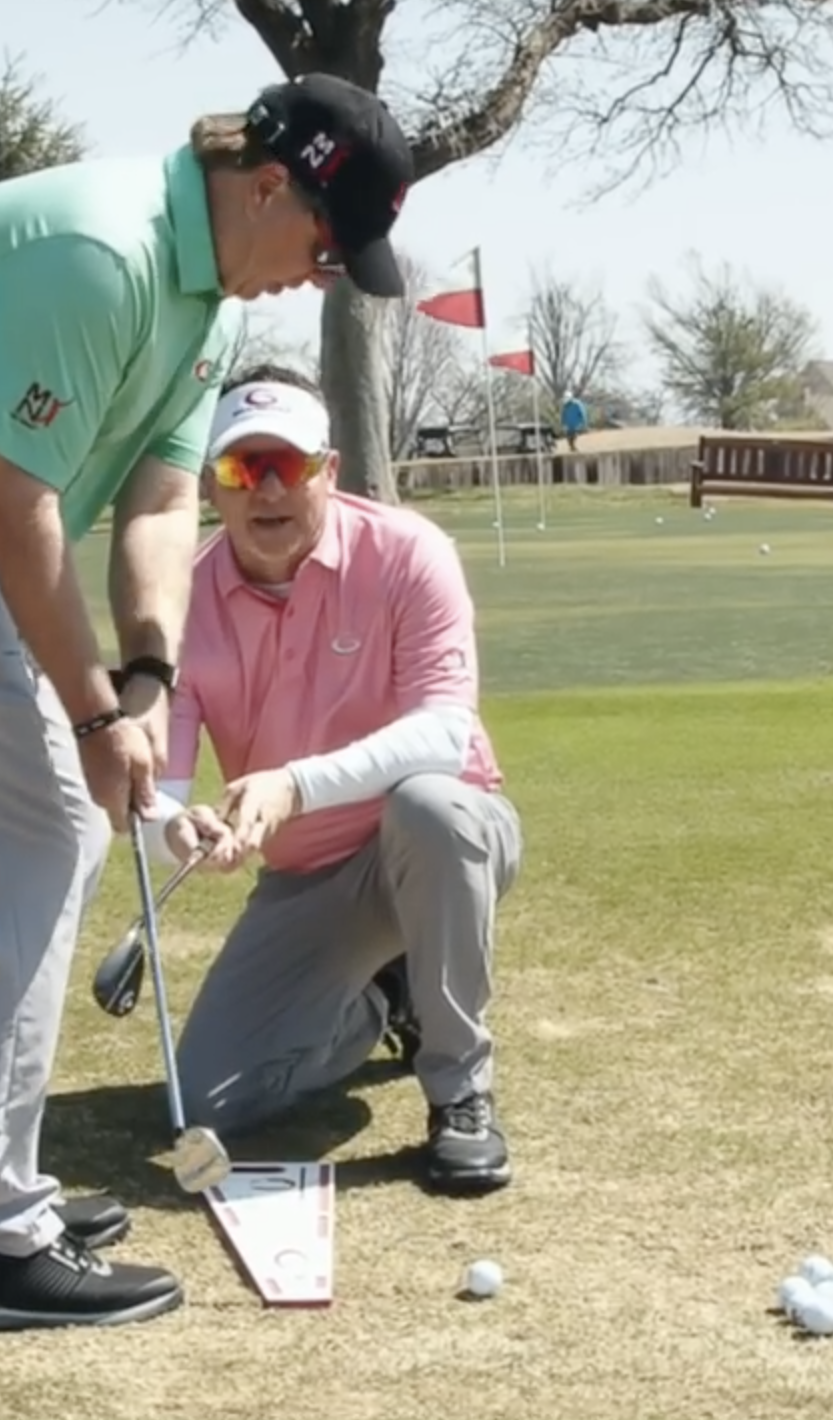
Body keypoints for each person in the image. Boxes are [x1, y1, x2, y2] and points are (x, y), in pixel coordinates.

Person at [0, 76, 416, 1335]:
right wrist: (94, 718)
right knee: (45, 835)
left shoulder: (204, 305)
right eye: (325, 247)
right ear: (269, 185)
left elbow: (158, 506)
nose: (321, 277)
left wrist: (144, 678)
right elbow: (16, 504)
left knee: (43, 842)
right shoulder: (101, 253)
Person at [144, 363, 524, 1194]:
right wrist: (177, 827)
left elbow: (443, 730)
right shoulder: (180, 599)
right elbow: (161, 785)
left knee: (430, 807)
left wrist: (292, 784)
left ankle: (459, 1088)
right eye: (245, 469)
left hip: (439, 841)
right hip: (309, 875)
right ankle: (388, 998)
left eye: (291, 464)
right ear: (215, 484)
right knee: (213, 1096)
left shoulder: (408, 552)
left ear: (331, 471)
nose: (268, 489)